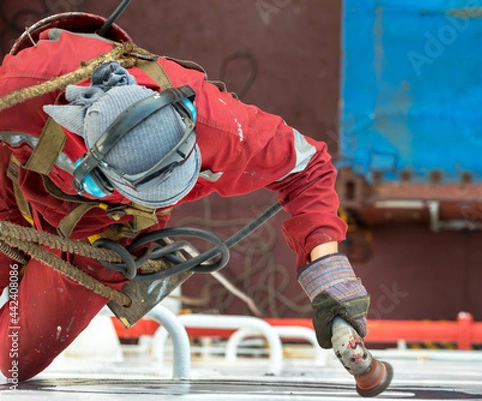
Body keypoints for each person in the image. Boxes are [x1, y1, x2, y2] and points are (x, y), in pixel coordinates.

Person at [0, 17, 370, 382]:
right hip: (9, 184)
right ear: (96, 177)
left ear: (185, 116)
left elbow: (309, 167)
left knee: (13, 359)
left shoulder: (220, 128)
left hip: (100, 234)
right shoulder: (21, 90)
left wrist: (328, 275)